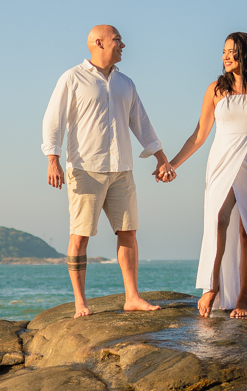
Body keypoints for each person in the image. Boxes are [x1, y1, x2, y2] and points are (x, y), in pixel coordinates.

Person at [42, 25, 175, 318]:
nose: (123, 45)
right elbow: (53, 119)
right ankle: (80, 302)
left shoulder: (126, 83)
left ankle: (132, 297)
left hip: (122, 169)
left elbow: (141, 122)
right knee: (80, 235)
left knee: (128, 232)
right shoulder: (72, 78)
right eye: (117, 40)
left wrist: (161, 159)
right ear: (98, 43)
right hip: (85, 169)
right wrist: (53, 158)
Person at [168, 32, 247, 318]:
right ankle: (212, 286)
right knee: (218, 218)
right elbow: (199, 135)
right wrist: (172, 164)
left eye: (232, 51)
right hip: (223, 161)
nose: (226, 56)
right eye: (223, 51)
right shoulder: (215, 89)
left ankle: (243, 298)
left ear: (245, 54)